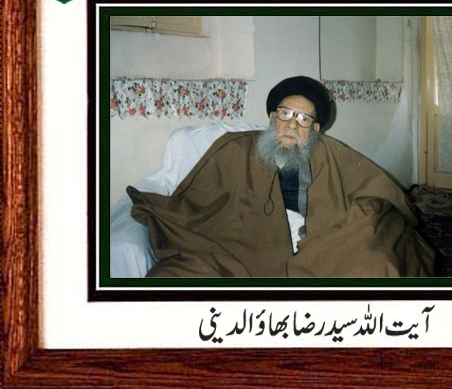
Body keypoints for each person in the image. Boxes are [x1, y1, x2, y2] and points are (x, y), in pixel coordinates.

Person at [127, 76, 435, 277]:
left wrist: (362, 218)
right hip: (246, 241)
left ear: (315, 130)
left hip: (319, 239)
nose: (291, 124)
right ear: (272, 117)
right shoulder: (235, 148)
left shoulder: (329, 152)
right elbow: (202, 204)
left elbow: (375, 190)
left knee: (375, 255)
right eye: (285, 114)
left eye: (303, 119)